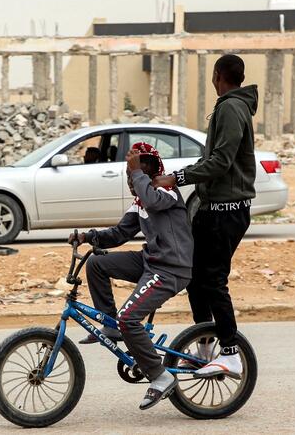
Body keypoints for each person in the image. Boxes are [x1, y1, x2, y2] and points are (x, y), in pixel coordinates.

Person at [68, 142, 193, 410]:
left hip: (171, 268)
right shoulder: (140, 202)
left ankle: (160, 376)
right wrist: (87, 237)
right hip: (151, 261)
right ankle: (111, 327)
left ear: (153, 172)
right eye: (129, 175)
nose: (132, 179)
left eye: (138, 172)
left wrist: (137, 172)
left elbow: (152, 200)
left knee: (130, 318)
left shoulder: (166, 190)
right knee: (97, 265)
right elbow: (118, 234)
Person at [154, 54, 257, 378]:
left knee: (212, 281)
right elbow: (214, 159)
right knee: (195, 279)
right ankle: (204, 348)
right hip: (215, 210)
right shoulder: (233, 106)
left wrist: (177, 178)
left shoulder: (230, 107)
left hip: (225, 212)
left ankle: (229, 353)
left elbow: (221, 161)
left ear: (217, 76)